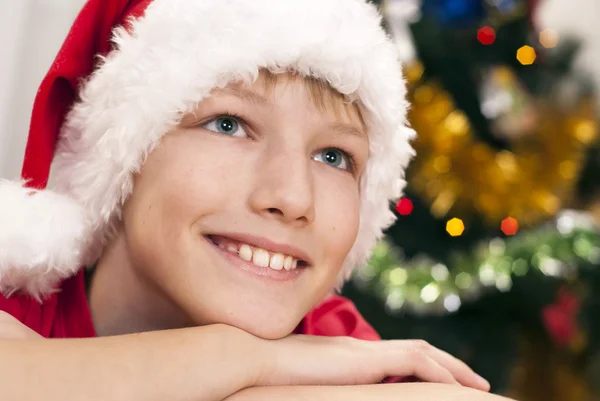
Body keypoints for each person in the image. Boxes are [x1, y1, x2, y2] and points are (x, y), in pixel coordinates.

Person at [0, 0, 516, 400]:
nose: (292, 197)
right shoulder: (14, 300)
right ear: (122, 157)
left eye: (334, 156)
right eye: (229, 125)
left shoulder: (344, 346)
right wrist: (245, 360)